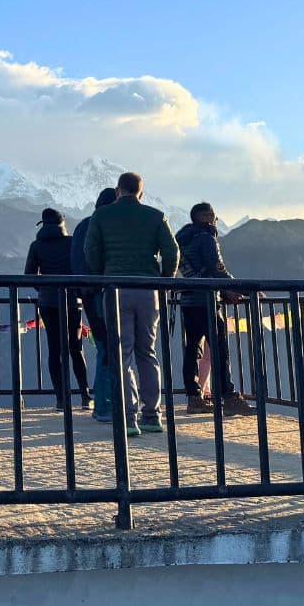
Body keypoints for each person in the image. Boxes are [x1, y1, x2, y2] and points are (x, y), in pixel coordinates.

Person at [83, 172, 178, 437]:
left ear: (117, 191)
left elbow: (90, 251)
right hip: (148, 291)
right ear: (141, 193)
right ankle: (152, 415)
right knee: (147, 352)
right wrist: (164, 279)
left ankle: (128, 417)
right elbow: (172, 252)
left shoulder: (101, 216)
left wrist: (104, 274)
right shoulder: (156, 216)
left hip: (116, 290)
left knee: (121, 354)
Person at [177, 202, 252, 415]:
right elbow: (217, 270)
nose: (215, 221)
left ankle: (194, 397)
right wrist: (245, 289)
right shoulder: (206, 238)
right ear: (205, 217)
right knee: (219, 349)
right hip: (207, 300)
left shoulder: (183, 239)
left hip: (188, 300)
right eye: (213, 217)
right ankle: (228, 397)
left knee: (192, 349)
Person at [25, 208, 91, 411]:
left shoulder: (36, 246)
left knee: (55, 350)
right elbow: (80, 268)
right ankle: (85, 396)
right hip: (72, 301)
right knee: (76, 348)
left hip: (47, 303)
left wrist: (44, 289)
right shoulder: (71, 242)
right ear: (62, 223)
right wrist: (77, 292)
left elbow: (29, 275)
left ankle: (61, 399)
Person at [72, 188, 115, 423]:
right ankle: (107, 406)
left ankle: (103, 405)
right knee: (110, 348)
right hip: (103, 291)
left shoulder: (82, 226)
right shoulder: (103, 227)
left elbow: (76, 261)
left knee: (103, 347)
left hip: (87, 293)